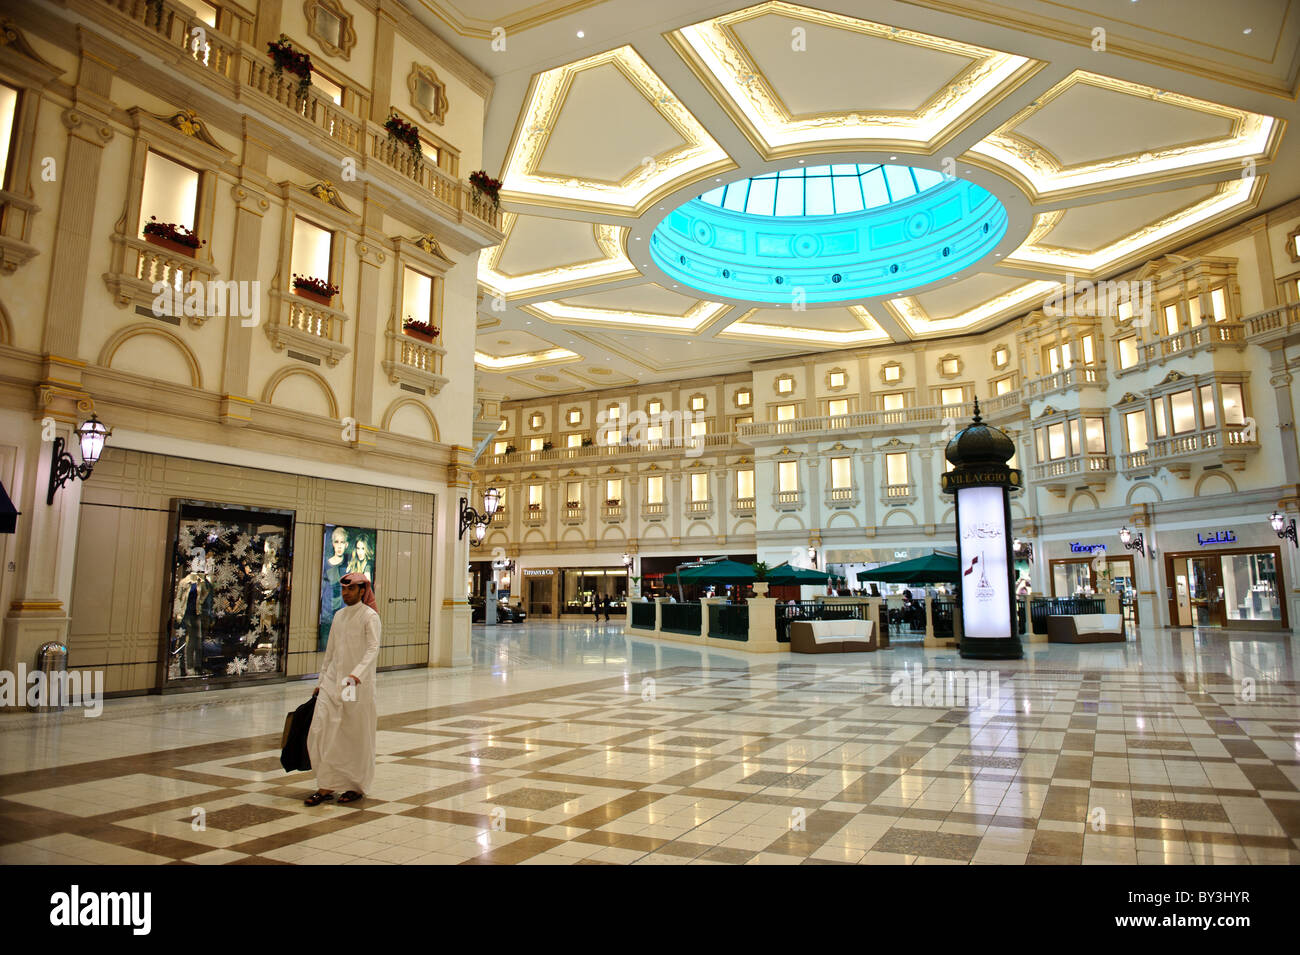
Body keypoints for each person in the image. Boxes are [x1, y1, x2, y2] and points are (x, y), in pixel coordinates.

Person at [305, 573, 381, 806]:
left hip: (354, 686)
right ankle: (326, 784)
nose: (346, 593)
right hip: (331, 682)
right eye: (344, 590)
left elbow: (372, 649)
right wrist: (321, 682)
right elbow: (331, 652)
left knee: (351, 732)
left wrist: (355, 674)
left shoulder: (370, 617)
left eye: (351, 589)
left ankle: (354, 785)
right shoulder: (339, 616)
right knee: (321, 729)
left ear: (362, 590)